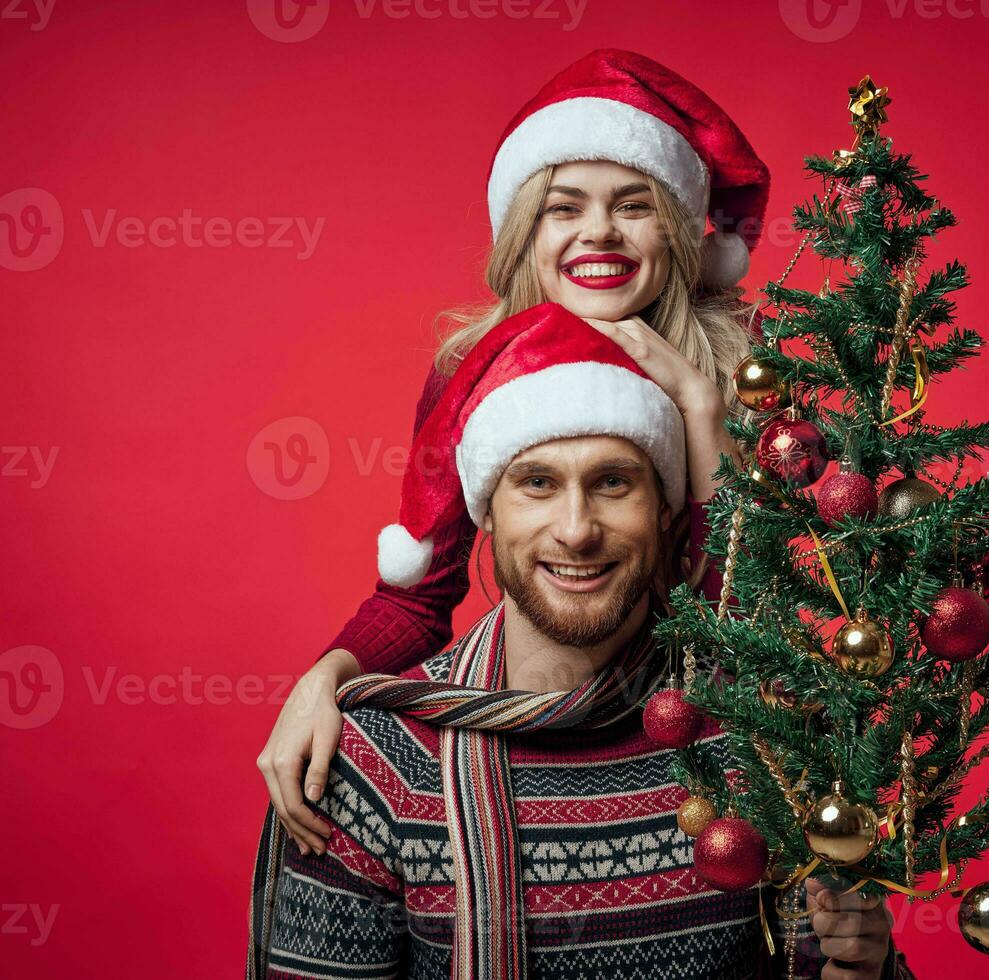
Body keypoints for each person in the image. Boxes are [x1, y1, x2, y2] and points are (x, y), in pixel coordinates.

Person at [248, 304, 912, 979]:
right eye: (536, 484)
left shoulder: (759, 744)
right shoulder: (372, 767)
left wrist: (863, 970)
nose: (576, 530)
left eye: (613, 483)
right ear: (487, 511)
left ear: (664, 510)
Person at [259, 49, 776, 861]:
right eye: (563, 208)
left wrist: (705, 413)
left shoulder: (751, 372)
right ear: (525, 232)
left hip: (707, 756)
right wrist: (321, 680)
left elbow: (757, 633)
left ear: (676, 227)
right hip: (539, 730)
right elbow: (417, 597)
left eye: (633, 204)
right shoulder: (468, 374)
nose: (598, 231)